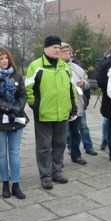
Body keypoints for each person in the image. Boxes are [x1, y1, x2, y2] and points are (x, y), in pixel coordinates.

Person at [26, 36, 77, 190]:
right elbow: (28, 89)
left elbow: (71, 88)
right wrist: (35, 106)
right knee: (44, 147)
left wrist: (73, 106)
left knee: (60, 145)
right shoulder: (35, 66)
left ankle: (57, 172)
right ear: (45, 49)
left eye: (58, 47)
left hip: (62, 113)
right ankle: (45, 176)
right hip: (44, 114)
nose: (57, 50)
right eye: (54, 47)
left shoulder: (65, 67)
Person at [0, 47, 28, 199]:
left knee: (14, 152)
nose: (4, 60)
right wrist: (9, 109)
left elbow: (22, 94)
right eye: (0, 58)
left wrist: (17, 109)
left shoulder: (16, 74)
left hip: (16, 118)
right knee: (2, 153)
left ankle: (16, 184)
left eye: (6, 58)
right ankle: (4, 184)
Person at [60, 43, 90, 165]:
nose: (68, 53)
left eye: (69, 51)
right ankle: (58, 159)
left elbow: (87, 82)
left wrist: (83, 83)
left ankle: (76, 155)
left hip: (76, 104)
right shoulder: (55, 67)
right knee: (60, 135)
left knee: (75, 132)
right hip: (60, 106)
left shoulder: (77, 68)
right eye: (64, 51)